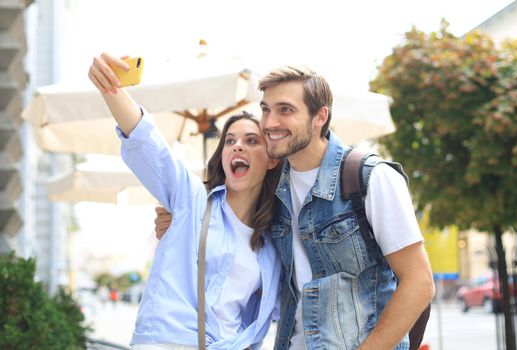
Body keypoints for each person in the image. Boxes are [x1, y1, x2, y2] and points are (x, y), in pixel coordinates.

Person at [155, 65, 435, 349]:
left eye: (285, 110)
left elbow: (419, 282)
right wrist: (180, 222)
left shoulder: (369, 177)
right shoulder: (271, 188)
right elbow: (232, 231)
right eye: (266, 109)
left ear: (320, 116)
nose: (269, 122)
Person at [88, 53, 283, 350]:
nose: (237, 145)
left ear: (271, 160)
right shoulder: (191, 200)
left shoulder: (272, 243)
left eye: (251, 141)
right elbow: (149, 145)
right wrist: (110, 88)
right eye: (229, 141)